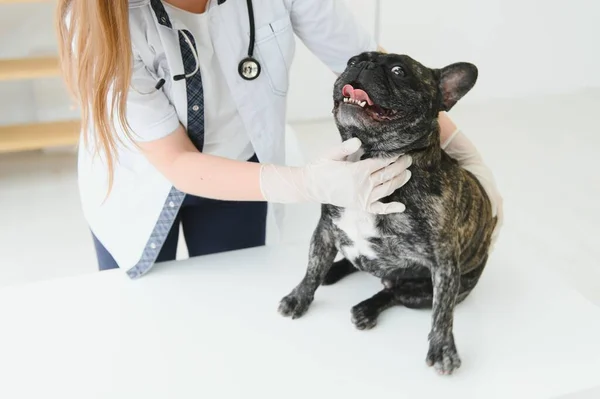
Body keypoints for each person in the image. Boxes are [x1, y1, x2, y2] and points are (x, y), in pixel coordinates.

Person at [56, 0, 503, 279]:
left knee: (235, 298)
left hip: (245, 170)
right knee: (145, 313)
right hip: (142, 181)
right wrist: (305, 183)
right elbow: (176, 163)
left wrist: (463, 149)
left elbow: (378, 75)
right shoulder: (96, 23)